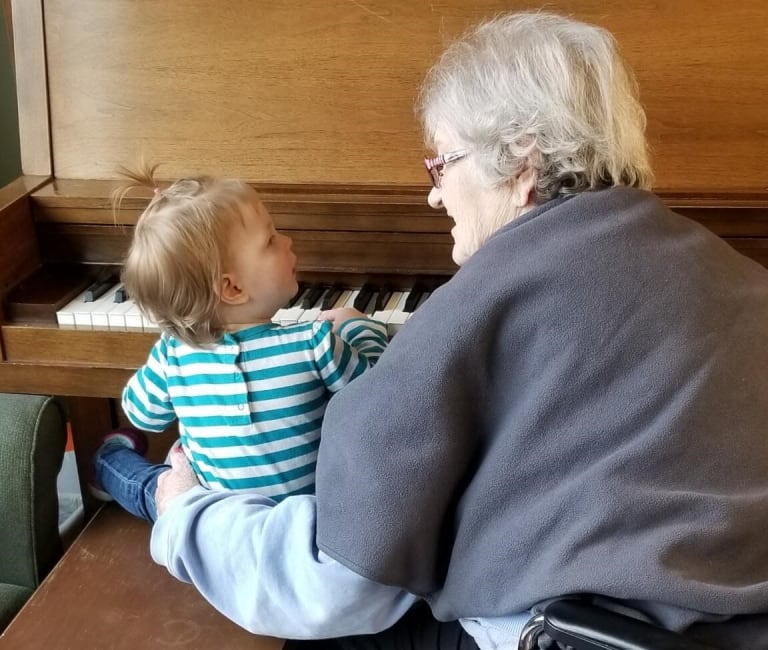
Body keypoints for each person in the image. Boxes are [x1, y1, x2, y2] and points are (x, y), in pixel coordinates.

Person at [150, 11, 768, 650]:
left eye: (441, 164)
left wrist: (186, 517)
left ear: (522, 162)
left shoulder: (483, 299)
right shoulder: (732, 274)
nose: (434, 197)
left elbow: (331, 583)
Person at [92, 167, 388, 522]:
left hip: (220, 532)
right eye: (271, 240)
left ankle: (108, 459)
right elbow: (380, 388)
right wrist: (358, 325)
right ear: (232, 289)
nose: (288, 241)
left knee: (156, 490)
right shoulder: (315, 343)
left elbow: (143, 414)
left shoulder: (173, 355)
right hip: (306, 527)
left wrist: (167, 355)